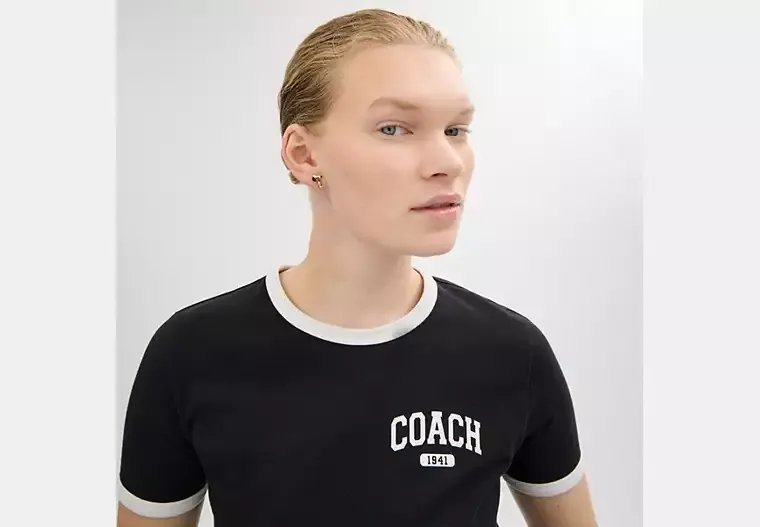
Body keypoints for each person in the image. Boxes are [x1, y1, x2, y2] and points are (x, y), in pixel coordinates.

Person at [117, 8, 598, 527]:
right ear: (304, 155)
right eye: (394, 128)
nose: (448, 162)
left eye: (456, 129)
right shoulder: (192, 354)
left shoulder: (512, 355)